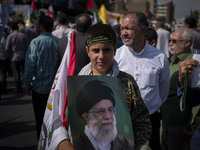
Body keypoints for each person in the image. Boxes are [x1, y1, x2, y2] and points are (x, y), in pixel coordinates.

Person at [58, 23, 151, 150]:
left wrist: (142, 145)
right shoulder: (75, 84)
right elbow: (62, 119)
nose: (101, 56)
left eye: (106, 50)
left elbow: (141, 120)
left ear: (115, 49)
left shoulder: (127, 82)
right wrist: (63, 142)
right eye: (95, 50)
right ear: (87, 51)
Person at [114, 11, 170, 150]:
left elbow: (163, 92)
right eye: (122, 28)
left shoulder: (159, 57)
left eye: (129, 28)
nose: (124, 33)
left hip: (151, 119)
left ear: (143, 29)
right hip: (122, 121)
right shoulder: (116, 57)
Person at [23, 15, 59, 139]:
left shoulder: (36, 42)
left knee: (40, 121)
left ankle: (42, 144)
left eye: (37, 25)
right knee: (54, 122)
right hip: (55, 90)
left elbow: (29, 67)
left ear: (42, 27)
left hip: (39, 89)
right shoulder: (58, 41)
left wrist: (27, 85)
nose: (35, 28)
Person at [73, 79, 134, 150]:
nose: (108, 117)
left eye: (110, 110)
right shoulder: (73, 145)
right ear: (86, 117)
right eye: (100, 111)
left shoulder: (127, 144)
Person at [160, 27, 194, 150]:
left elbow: (196, 100)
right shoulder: (173, 61)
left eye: (174, 41)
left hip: (180, 124)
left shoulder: (192, 64)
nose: (170, 44)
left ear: (187, 43)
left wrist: (190, 126)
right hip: (167, 120)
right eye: (170, 40)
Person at [5, 21, 28, 93]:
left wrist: (9, 55)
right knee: (24, 72)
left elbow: (7, 48)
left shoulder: (10, 36)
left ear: (11, 28)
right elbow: (27, 46)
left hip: (14, 57)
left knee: (16, 73)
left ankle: (18, 86)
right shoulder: (23, 36)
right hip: (23, 56)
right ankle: (25, 85)